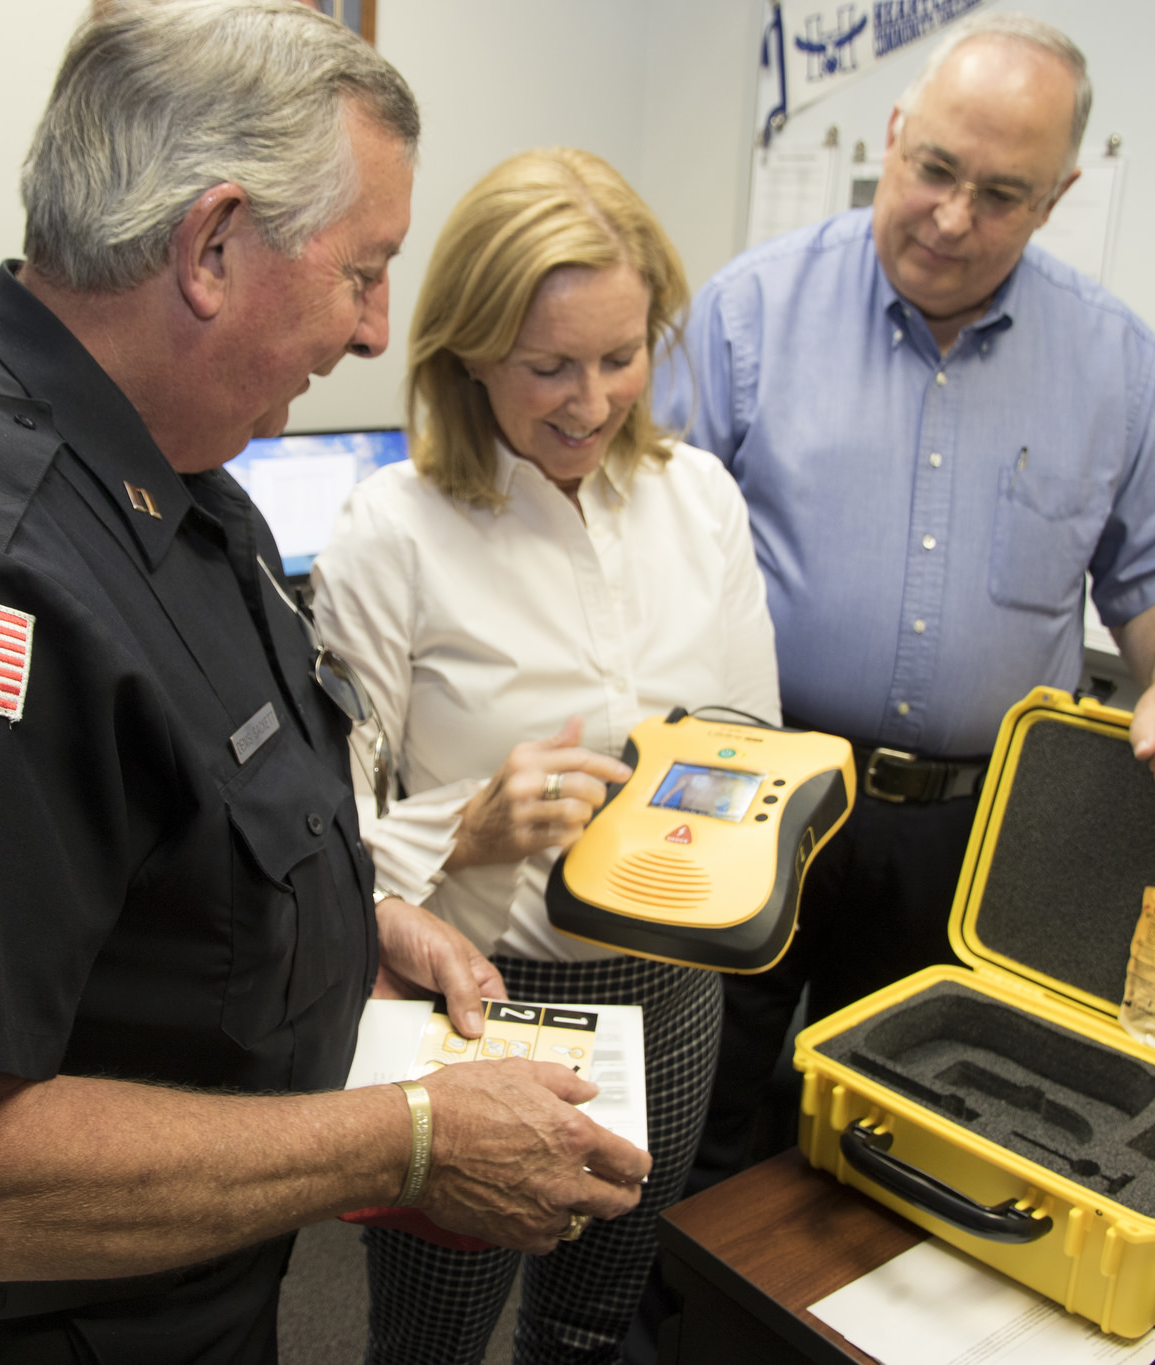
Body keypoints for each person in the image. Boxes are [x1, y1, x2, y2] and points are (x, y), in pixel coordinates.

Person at [0, 6, 649, 1362]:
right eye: (363, 272)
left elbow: (156, 835)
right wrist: (414, 1137)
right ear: (212, 247)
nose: (380, 333)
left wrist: (344, 931)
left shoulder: (169, 473)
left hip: (201, 1274)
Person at [655, 13, 1155, 1195]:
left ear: (1056, 195)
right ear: (892, 135)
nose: (950, 217)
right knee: (701, 1110)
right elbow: (634, 533)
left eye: (999, 194)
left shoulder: (1111, 363)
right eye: (932, 170)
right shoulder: (749, 313)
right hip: (753, 786)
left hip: (972, 825)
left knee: (910, 1128)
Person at [310, 147, 780, 1365]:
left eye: (619, 357)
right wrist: (465, 826)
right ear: (468, 350)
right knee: (433, 1334)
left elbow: (753, 750)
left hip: (671, 990)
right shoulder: (390, 533)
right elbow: (316, 843)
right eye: (546, 367)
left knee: (590, 1320)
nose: (588, 400)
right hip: (476, 1003)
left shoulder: (701, 502)